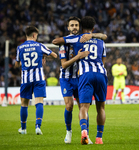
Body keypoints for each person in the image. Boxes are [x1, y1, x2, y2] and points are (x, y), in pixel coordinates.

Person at [53, 16, 107, 145]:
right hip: (69, 77)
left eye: (76, 25)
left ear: (81, 27)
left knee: (83, 106)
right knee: (73, 106)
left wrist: (90, 36)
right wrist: (79, 56)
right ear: (68, 27)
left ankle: (85, 134)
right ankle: (72, 132)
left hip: (82, 76)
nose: (74, 28)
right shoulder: (99, 41)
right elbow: (64, 64)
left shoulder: (79, 39)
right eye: (72, 25)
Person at [15, 26, 57, 135]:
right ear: (34, 35)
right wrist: (44, 57)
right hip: (39, 79)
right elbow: (54, 55)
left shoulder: (20, 48)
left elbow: (16, 64)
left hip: (26, 79)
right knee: (39, 102)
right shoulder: (40, 46)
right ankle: (38, 127)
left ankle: (23, 129)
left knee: (24, 104)